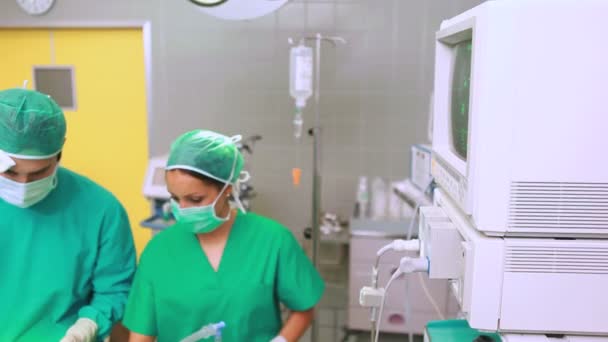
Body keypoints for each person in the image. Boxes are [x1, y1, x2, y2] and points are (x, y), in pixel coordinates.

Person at [123, 130, 325, 342]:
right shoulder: (159, 251)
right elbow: (141, 334)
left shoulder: (273, 240)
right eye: (175, 198)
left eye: (195, 199)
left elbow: (304, 308)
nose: (182, 209)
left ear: (227, 189)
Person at [0, 88, 136, 342]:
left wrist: (86, 327)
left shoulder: (101, 209)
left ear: (58, 154)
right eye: (10, 174)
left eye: (38, 173)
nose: (24, 184)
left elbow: (115, 288)